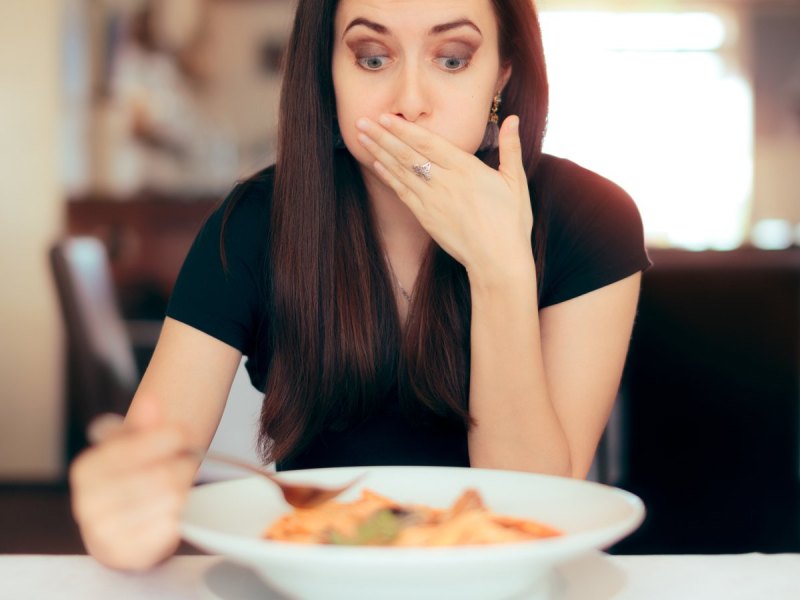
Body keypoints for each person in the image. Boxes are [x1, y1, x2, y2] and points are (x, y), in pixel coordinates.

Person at [70, 0, 651, 571]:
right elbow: (148, 473)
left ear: (501, 72)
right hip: (314, 576)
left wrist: (500, 270)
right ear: (329, 72)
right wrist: (123, 517)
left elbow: (534, 510)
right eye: (373, 58)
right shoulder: (252, 223)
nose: (410, 103)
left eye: (452, 59)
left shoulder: (592, 218)